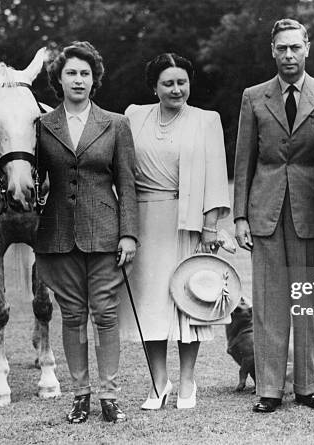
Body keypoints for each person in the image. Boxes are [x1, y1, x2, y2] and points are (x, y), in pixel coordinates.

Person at [233, 18, 314, 413]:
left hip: (312, 213)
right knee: (268, 303)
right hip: (264, 211)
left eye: (294, 47)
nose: (288, 55)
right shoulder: (253, 97)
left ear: (307, 48)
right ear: (272, 51)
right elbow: (244, 159)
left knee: (306, 304)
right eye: (281, 48)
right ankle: (268, 389)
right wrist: (240, 217)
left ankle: (305, 387)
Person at [118, 53, 230, 410]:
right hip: (144, 221)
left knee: (188, 302)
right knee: (150, 303)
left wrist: (211, 225)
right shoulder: (134, 116)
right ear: (154, 86)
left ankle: (187, 382)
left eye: (182, 82)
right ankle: (158, 383)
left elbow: (216, 173)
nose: (176, 89)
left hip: (189, 223)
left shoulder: (206, 120)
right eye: (168, 82)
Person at [35, 41, 138, 423]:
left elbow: (127, 185)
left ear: (94, 80)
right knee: (73, 316)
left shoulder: (116, 124)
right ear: (58, 80)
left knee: (106, 315)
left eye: (85, 73)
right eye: (71, 73)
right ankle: (80, 395)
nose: (78, 79)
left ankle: (109, 395)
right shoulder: (42, 127)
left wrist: (129, 234)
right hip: (57, 237)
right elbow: (31, 179)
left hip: (106, 235)